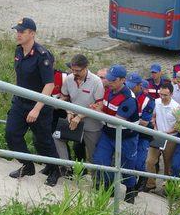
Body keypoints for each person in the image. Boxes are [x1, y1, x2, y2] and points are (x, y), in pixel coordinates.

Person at [5, 17, 61, 186]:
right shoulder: (18, 51)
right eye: (17, 31)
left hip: (39, 105)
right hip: (20, 102)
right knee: (11, 134)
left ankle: (55, 170)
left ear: (32, 34)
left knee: (43, 141)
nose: (18, 34)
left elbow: (49, 85)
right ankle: (27, 165)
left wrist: (36, 109)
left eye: (22, 31)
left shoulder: (42, 56)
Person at [92, 65, 139, 203]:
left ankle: (131, 190)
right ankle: (109, 188)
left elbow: (117, 120)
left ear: (122, 80)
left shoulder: (128, 98)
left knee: (127, 164)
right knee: (101, 160)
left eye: (113, 80)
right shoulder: (108, 90)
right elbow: (104, 106)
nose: (109, 82)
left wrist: (97, 112)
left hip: (126, 137)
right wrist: (97, 107)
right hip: (108, 133)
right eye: (108, 79)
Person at [56, 54, 105, 165]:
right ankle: (66, 167)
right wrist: (68, 111)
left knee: (93, 154)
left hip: (91, 123)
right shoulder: (69, 79)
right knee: (57, 138)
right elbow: (64, 97)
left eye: (77, 70)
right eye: (72, 70)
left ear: (86, 67)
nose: (74, 73)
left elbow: (99, 105)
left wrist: (80, 116)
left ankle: (96, 180)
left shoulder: (96, 81)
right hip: (72, 118)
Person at [143, 83, 180, 192]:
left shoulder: (177, 107)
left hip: (170, 138)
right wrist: (154, 123)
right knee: (150, 161)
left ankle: (167, 187)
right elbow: (153, 116)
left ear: (171, 94)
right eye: (161, 94)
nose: (162, 97)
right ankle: (150, 184)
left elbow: (179, 125)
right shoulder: (156, 102)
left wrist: (168, 132)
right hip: (157, 136)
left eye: (165, 95)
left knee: (168, 164)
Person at [126, 75, 155, 192]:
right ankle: (130, 185)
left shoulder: (149, 100)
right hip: (130, 132)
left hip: (143, 135)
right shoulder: (126, 94)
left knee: (138, 163)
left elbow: (144, 122)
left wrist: (129, 119)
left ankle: (143, 178)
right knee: (128, 160)